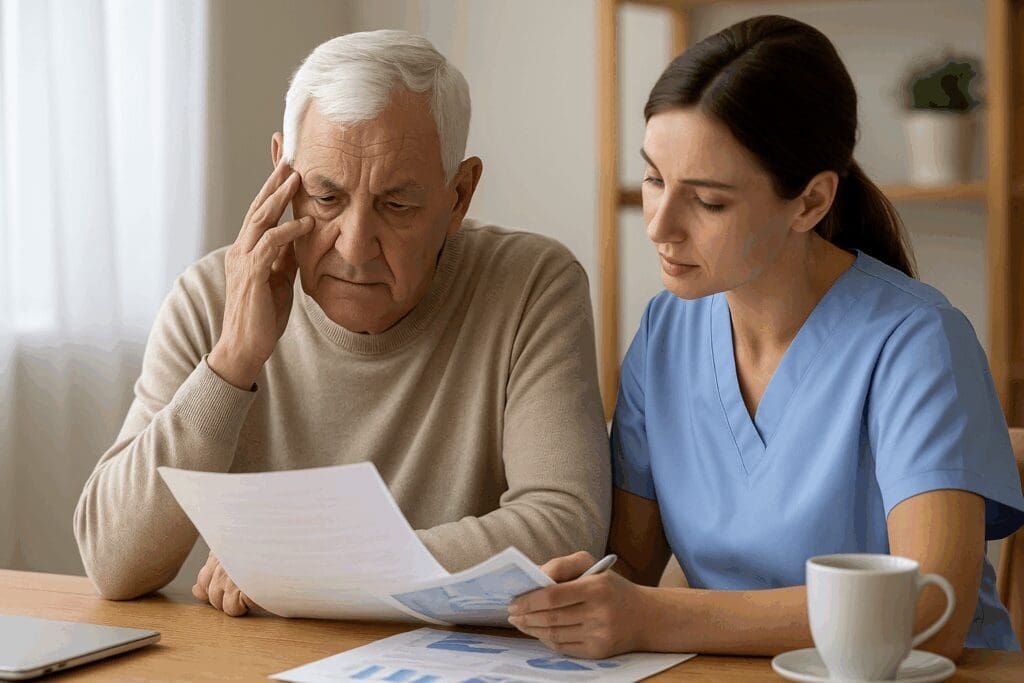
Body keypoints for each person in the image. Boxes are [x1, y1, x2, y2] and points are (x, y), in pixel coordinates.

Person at [507, 15, 1024, 660]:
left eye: (709, 202)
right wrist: (577, 598)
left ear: (809, 203)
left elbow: (928, 612)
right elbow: (630, 575)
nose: (660, 225)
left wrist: (655, 619)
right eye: (654, 179)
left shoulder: (917, 343)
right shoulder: (665, 335)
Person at [74, 30, 610, 616]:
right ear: (281, 172)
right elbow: (112, 562)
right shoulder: (211, 298)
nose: (354, 247)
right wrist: (230, 365)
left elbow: (566, 527)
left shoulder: (533, 284)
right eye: (325, 198)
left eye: (396, 205)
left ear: (459, 196)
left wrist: (306, 563)